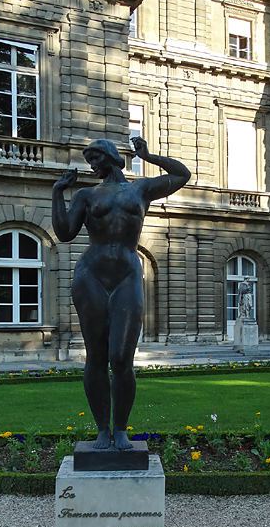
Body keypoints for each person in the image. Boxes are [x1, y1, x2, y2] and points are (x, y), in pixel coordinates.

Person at [52, 136, 190, 450]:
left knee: (121, 358)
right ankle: (103, 431)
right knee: (97, 358)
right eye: (90, 160)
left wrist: (150, 156)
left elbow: (182, 175)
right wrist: (58, 192)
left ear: (111, 157)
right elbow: (64, 232)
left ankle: (121, 429)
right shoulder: (87, 195)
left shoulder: (140, 190)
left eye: (96, 158)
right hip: (91, 276)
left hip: (127, 275)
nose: (92, 165)